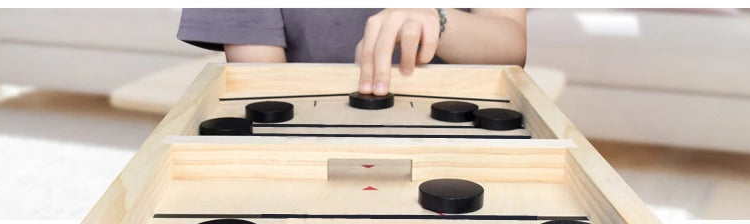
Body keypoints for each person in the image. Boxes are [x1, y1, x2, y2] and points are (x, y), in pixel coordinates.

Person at [178, 8, 526, 95]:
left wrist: (435, 19)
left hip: (459, 141)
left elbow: (512, 45)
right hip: (312, 149)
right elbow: (267, 93)